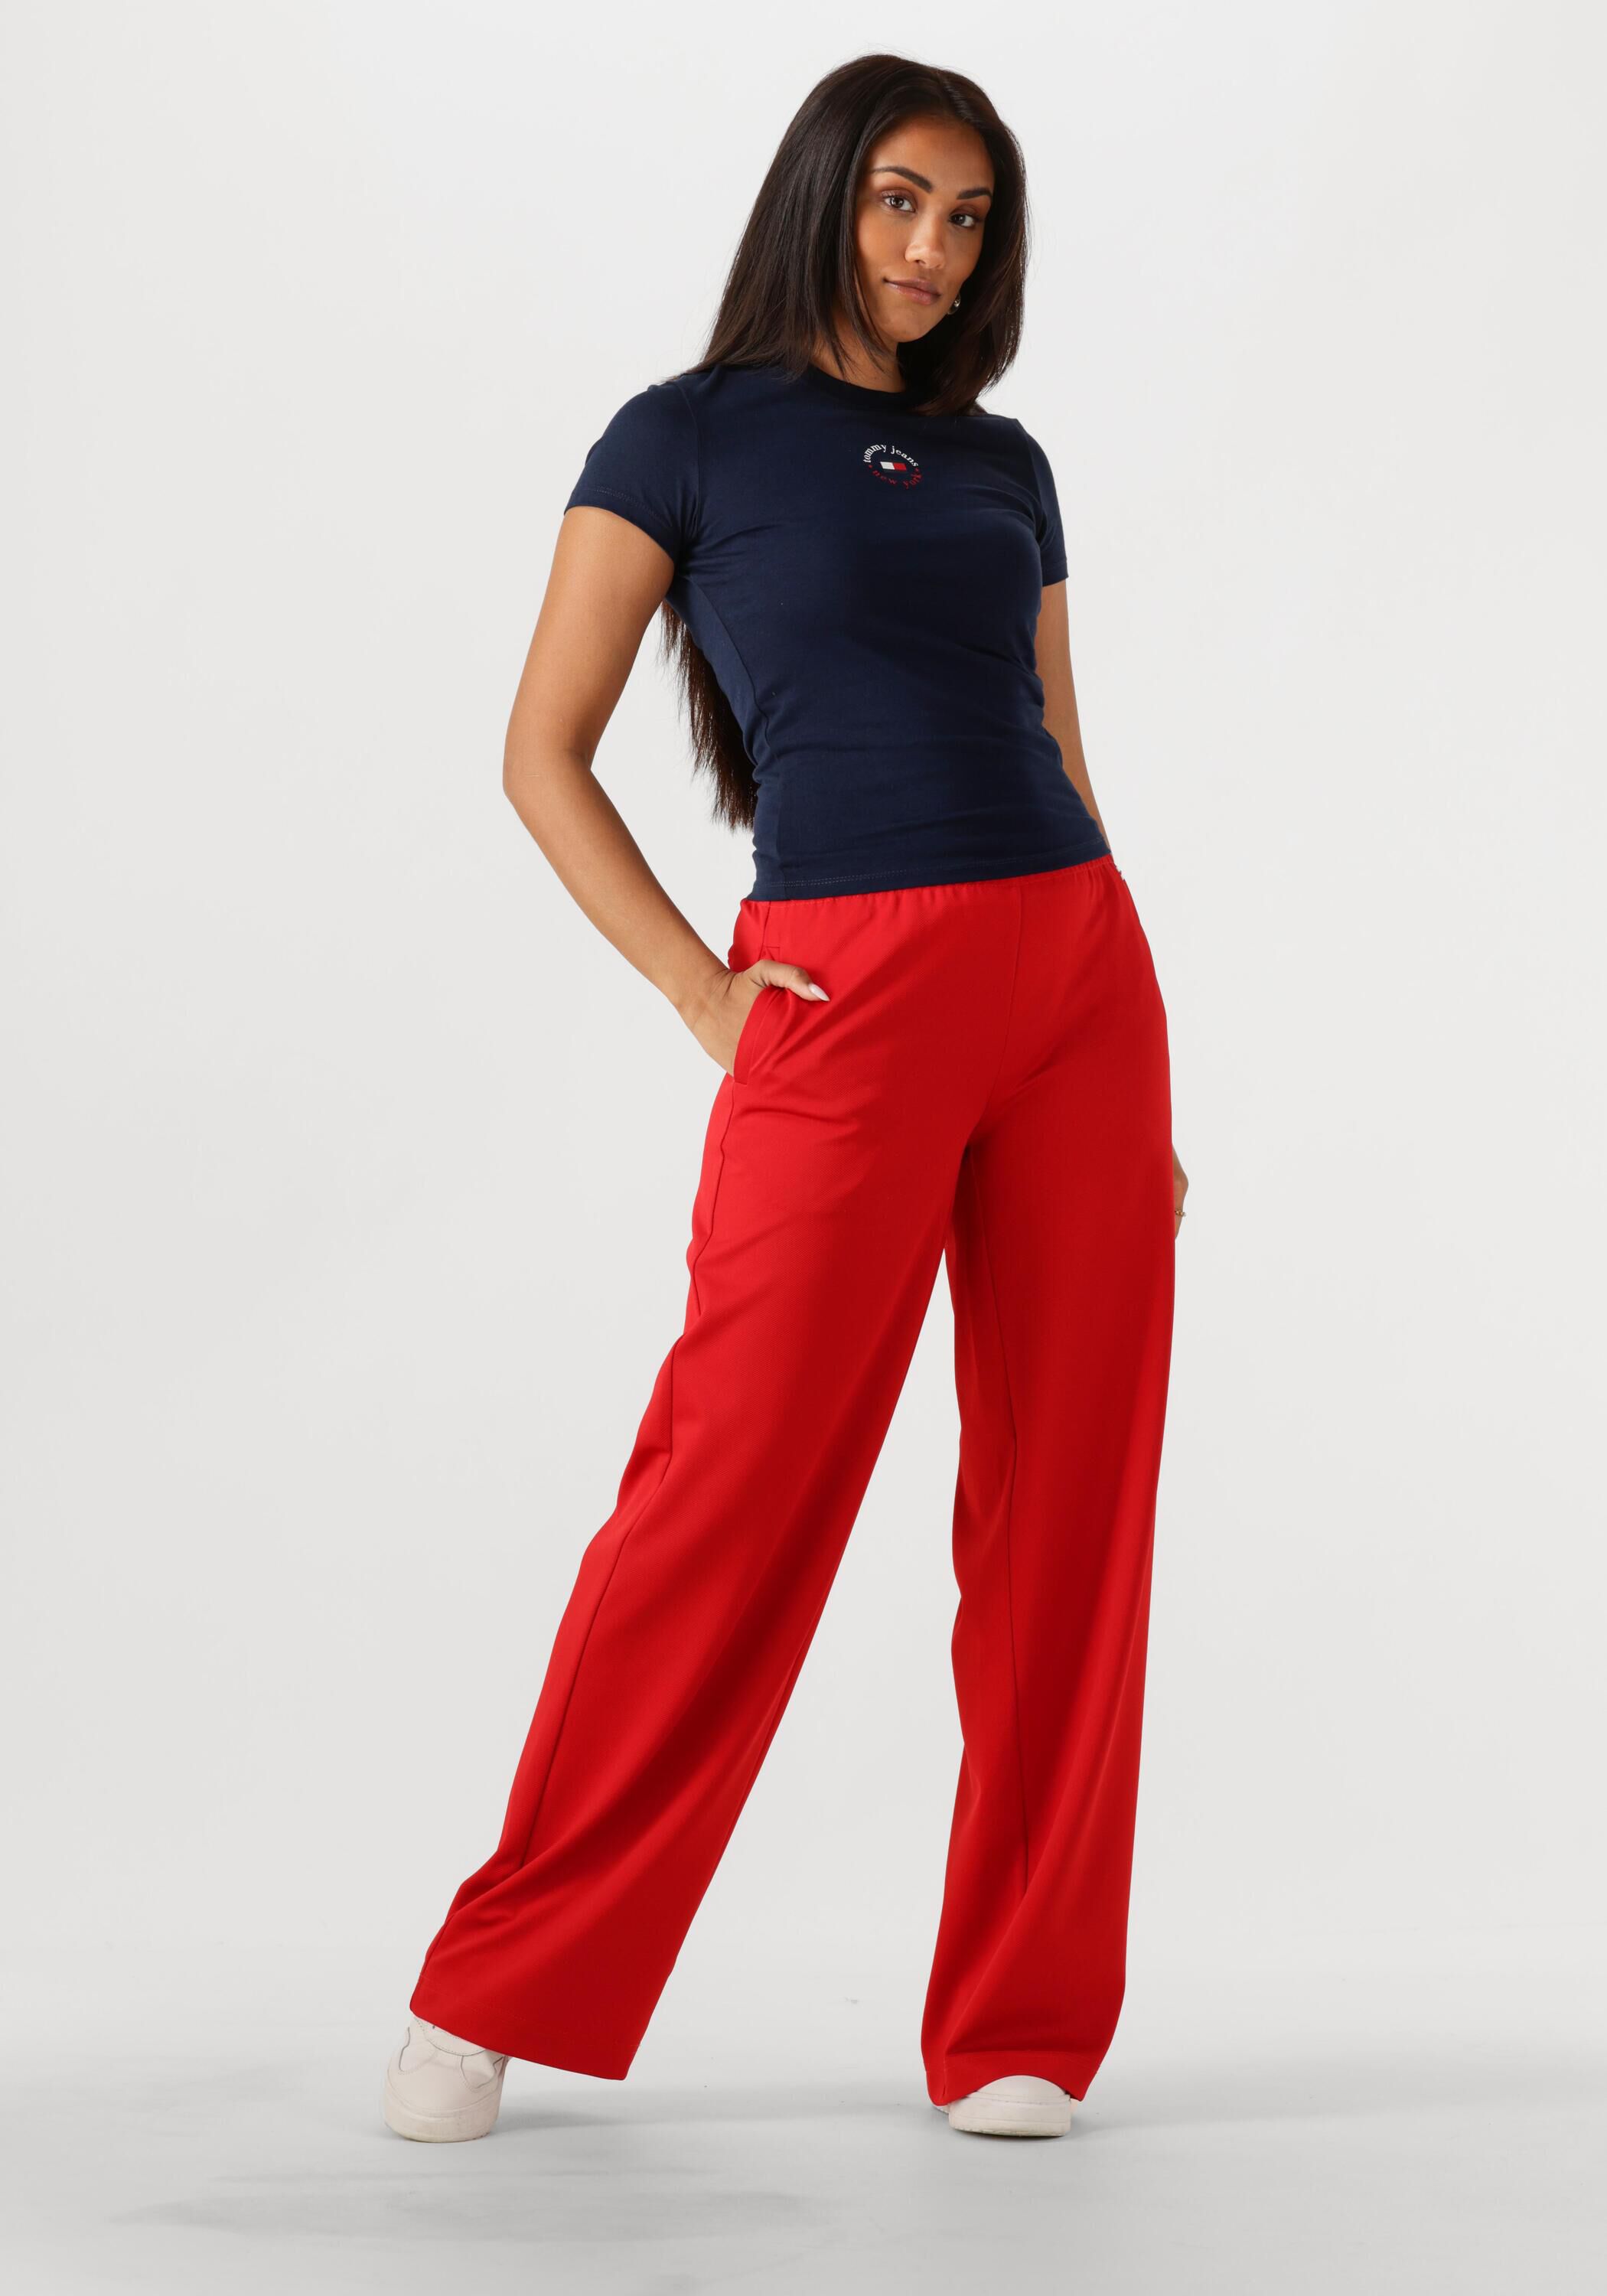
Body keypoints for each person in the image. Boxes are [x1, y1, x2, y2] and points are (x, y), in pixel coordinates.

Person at [383, 51, 1187, 2147]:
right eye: (902, 199)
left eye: (971, 220)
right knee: (726, 1483)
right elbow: (539, 749)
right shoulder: (682, 436)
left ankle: (1021, 2020)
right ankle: (496, 1983)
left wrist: (1130, 1043)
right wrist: (698, 993)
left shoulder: (1006, 461)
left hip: (1075, 978)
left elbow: (1058, 745)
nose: (934, 251)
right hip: (842, 994)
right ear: (824, 190)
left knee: (1070, 1504)